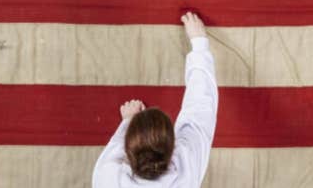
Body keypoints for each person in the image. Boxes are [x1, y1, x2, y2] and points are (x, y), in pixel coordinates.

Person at [92, 11, 218, 187]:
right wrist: (199, 44)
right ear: (173, 147)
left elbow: (112, 155)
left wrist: (128, 122)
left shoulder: (107, 178)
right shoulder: (187, 169)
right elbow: (199, 110)